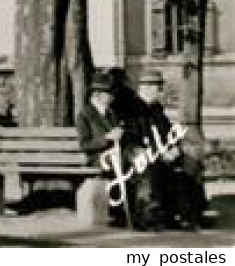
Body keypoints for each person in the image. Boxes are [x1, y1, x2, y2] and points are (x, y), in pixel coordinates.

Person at [136, 70, 206, 230]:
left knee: (191, 163)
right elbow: (137, 137)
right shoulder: (135, 110)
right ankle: (166, 214)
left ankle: (191, 213)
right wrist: (161, 152)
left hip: (162, 153)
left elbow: (168, 134)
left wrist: (174, 148)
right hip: (145, 155)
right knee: (161, 169)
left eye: (160, 87)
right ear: (145, 88)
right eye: (158, 88)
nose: (161, 91)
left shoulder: (157, 110)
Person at [76, 71, 132, 227]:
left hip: (115, 154)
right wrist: (107, 138)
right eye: (108, 93)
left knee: (137, 161)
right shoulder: (85, 115)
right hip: (97, 157)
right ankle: (121, 211)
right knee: (123, 164)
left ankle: (133, 209)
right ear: (97, 95)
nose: (111, 97)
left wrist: (121, 133)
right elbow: (84, 144)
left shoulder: (111, 113)